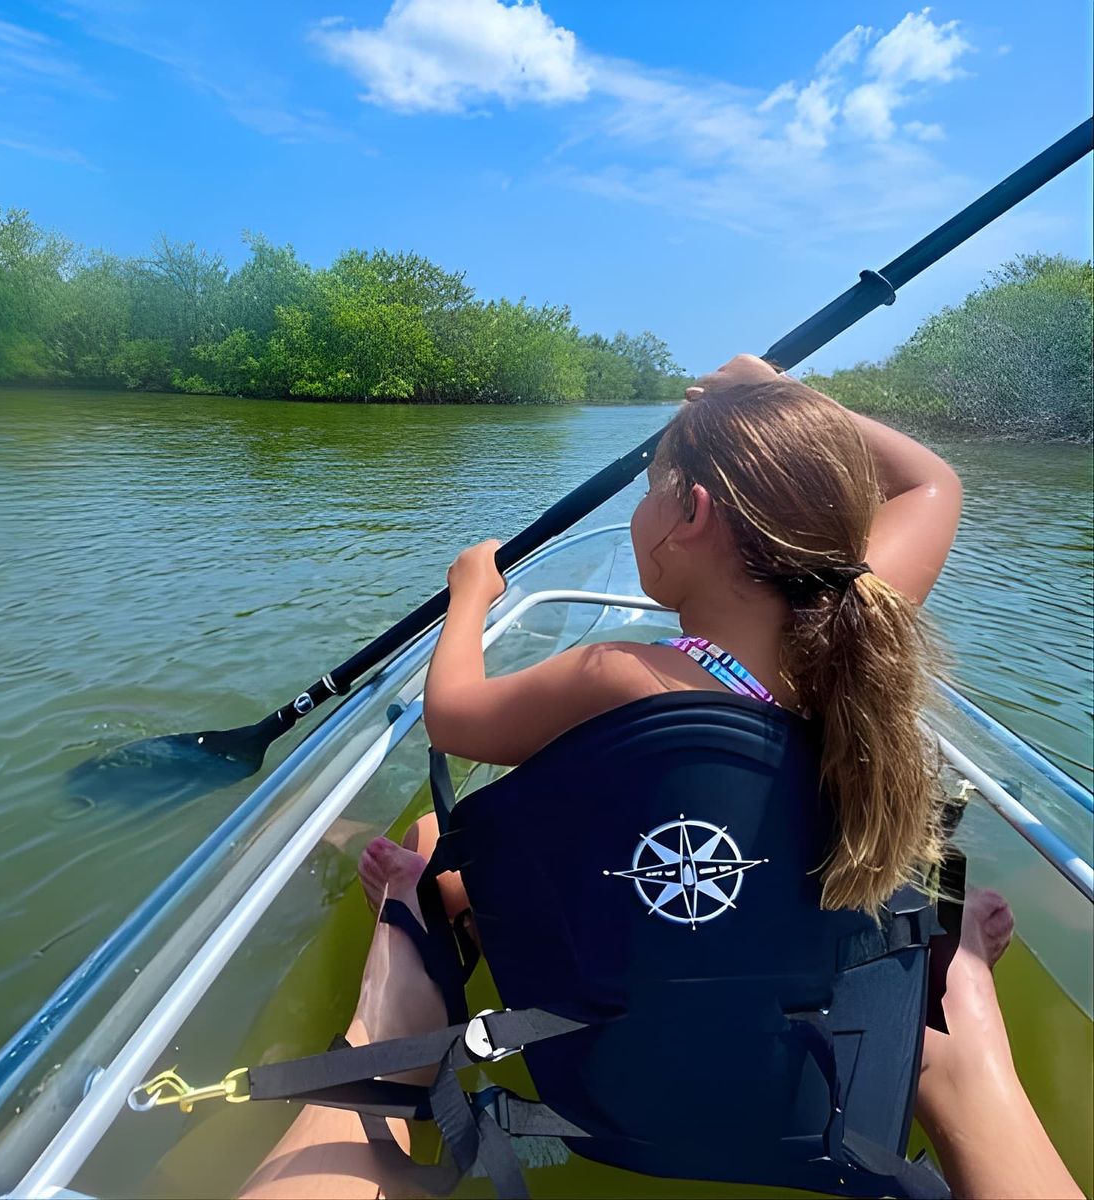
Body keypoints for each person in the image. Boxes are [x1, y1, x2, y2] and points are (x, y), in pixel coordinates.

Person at [242, 356, 1081, 1200]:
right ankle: (956, 974)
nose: (640, 511)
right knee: (931, 870)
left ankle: (420, 947)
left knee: (432, 843)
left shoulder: (616, 673)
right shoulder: (868, 621)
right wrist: (782, 397)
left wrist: (470, 594)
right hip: (821, 1077)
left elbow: (454, 715)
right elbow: (932, 483)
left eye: (649, 489)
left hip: (610, 1074)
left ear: (692, 514)